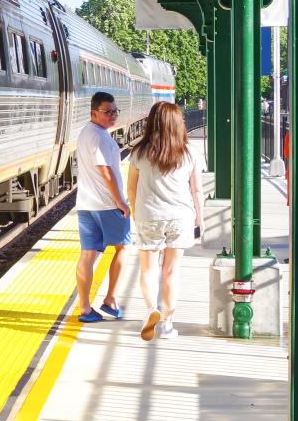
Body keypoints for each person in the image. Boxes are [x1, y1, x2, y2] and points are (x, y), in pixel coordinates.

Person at [127, 101, 203, 341]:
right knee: (171, 271)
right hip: (180, 218)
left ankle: (152, 310)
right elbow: (197, 190)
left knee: (148, 268)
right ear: (177, 125)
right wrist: (200, 219)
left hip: (149, 216)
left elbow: (131, 189)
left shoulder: (139, 152)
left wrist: (136, 213)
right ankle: (168, 324)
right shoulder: (189, 153)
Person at [74, 91, 131, 322]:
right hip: (107, 206)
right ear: (93, 113)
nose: (112, 116)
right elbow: (106, 172)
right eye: (107, 112)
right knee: (123, 248)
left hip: (86, 204)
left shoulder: (86, 133)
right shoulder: (99, 138)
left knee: (87, 255)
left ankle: (85, 308)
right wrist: (120, 202)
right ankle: (110, 300)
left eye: (115, 111)